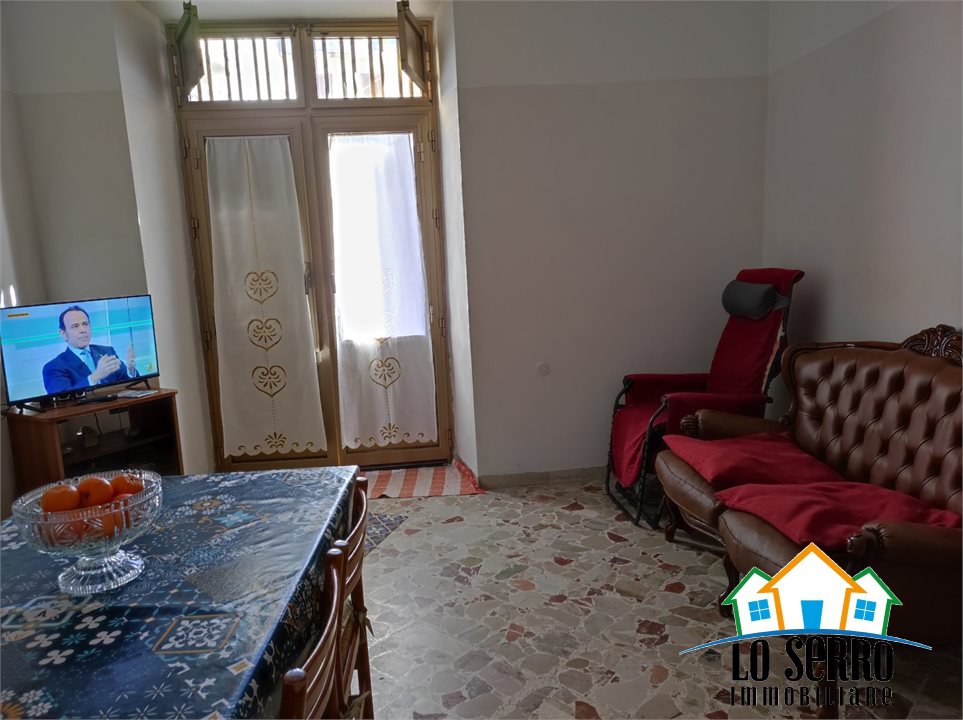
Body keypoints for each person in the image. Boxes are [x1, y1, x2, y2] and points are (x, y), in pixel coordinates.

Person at [42, 305, 138, 395]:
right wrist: (95, 377)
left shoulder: (107, 352)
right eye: (75, 326)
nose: (83, 330)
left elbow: (128, 385)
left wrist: (131, 369)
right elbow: (63, 397)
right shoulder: (53, 367)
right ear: (63, 334)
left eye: (85, 324)